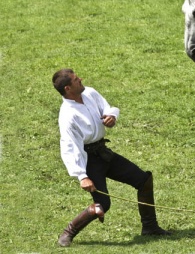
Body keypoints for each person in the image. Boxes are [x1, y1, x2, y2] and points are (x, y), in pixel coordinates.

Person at [52, 68, 170, 247]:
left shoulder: (89, 93)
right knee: (102, 205)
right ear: (68, 88)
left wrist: (111, 116)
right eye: (76, 80)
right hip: (89, 161)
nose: (81, 79)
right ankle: (68, 233)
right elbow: (70, 146)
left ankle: (150, 227)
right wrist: (82, 176)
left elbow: (108, 108)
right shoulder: (68, 116)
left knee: (143, 180)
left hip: (104, 153)